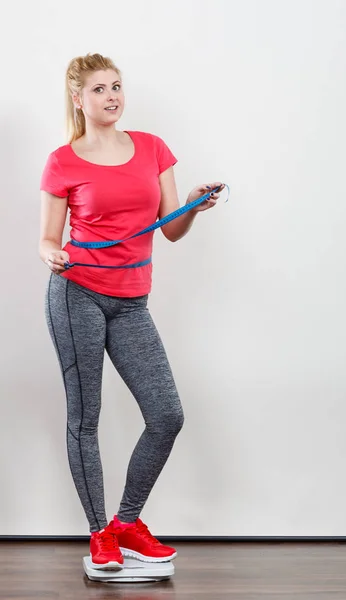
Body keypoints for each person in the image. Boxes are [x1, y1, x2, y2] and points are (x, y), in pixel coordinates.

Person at [39, 52, 224, 570]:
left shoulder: (152, 149)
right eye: (98, 89)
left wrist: (189, 204)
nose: (112, 96)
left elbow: (170, 228)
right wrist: (51, 255)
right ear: (79, 99)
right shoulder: (63, 160)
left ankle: (126, 522)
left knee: (166, 415)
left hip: (131, 301)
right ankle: (99, 532)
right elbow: (48, 240)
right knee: (86, 419)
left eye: (116, 86)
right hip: (76, 293)